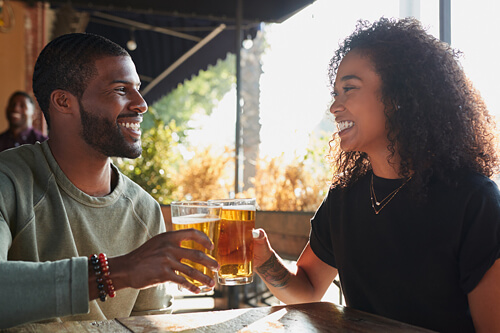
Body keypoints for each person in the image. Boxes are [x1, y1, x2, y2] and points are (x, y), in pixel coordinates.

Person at [253, 17, 500, 333]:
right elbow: (308, 289)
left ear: (398, 98)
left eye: (349, 89)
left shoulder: (473, 200)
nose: (335, 107)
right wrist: (264, 261)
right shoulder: (344, 197)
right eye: (336, 92)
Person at [0, 33, 218, 329]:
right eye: (120, 89)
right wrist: (120, 271)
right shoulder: (8, 182)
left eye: (137, 90)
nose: (141, 104)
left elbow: (148, 326)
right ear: (64, 102)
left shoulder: (145, 210)